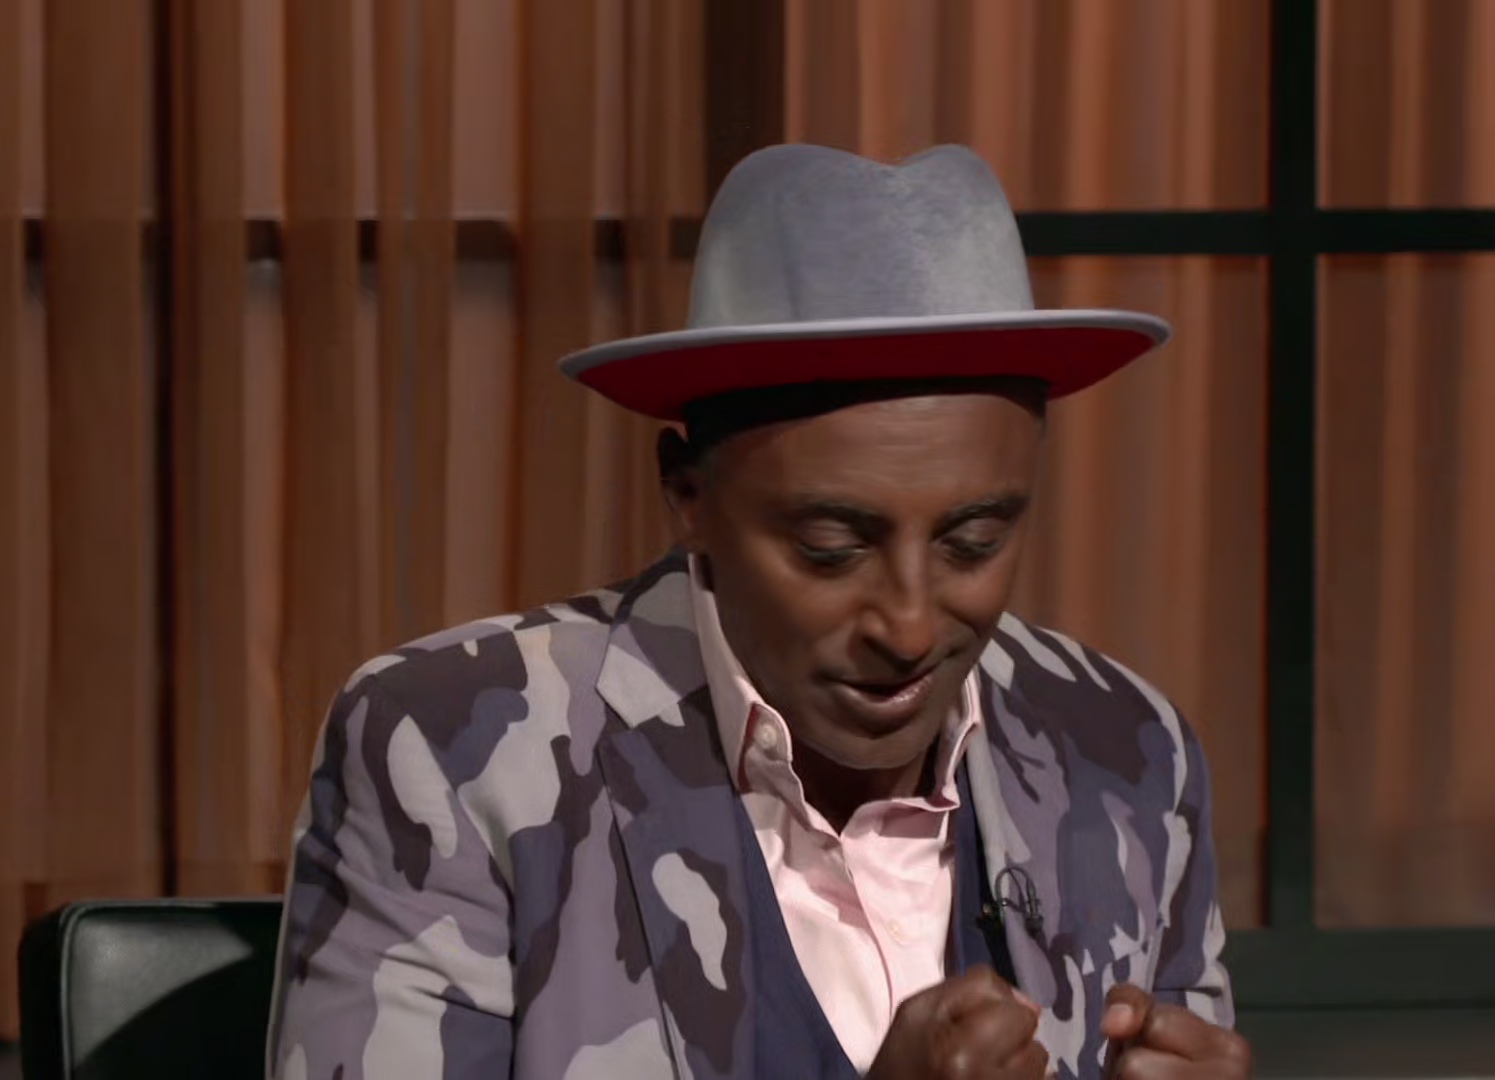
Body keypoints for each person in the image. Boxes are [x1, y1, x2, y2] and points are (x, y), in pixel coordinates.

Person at [266, 143, 1246, 1080]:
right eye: (830, 549)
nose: (908, 626)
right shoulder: (455, 753)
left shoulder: (1126, 753)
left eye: (974, 542)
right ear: (687, 493)